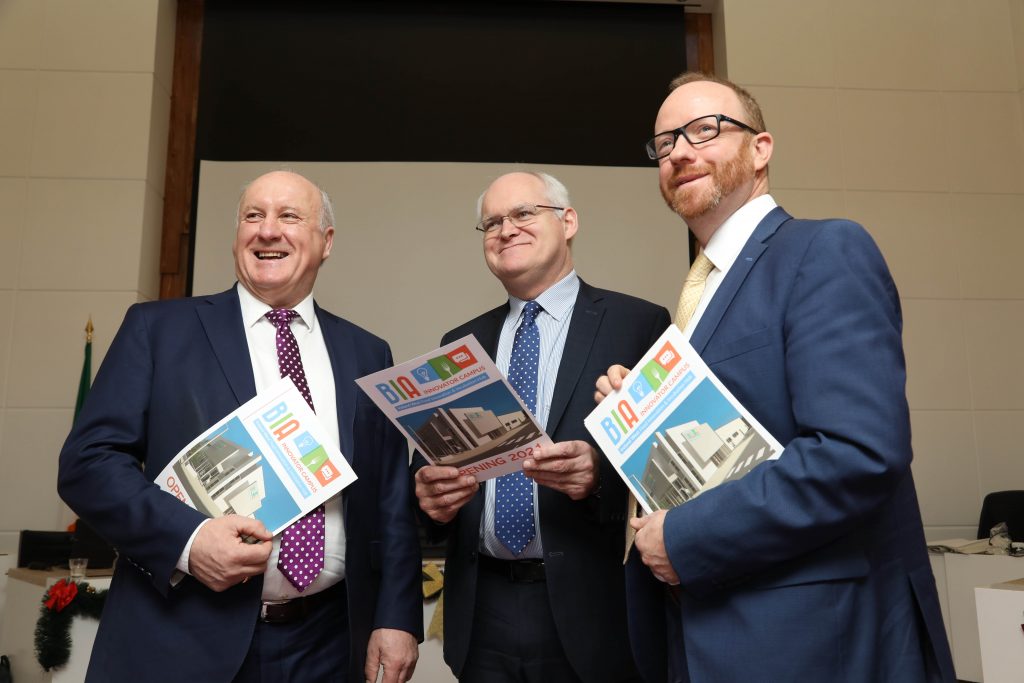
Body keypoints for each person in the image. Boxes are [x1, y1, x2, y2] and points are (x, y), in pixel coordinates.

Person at [595, 73, 956, 682]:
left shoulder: (824, 251)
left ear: (760, 149)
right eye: (664, 144)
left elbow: (858, 453)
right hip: (705, 632)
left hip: (812, 639)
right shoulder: (699, 295)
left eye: (703, 130)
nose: (679, 151)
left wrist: (683, 538)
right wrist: (641, 413)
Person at [58, 170, 422, 683]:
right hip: (180, 637)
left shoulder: (366, 352)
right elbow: (87, 464)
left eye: (289, 216)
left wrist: (396, 618)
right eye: (254, 215)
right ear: (236, 238)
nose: (267, 230)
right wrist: (190, 539)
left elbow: (390, 500)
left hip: (328, 645)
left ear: (326, 241)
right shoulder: (159, 330)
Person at [412, 171, 671, 683]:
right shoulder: (462, 342)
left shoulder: (637, 324)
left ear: (568, 221)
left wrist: (598, 478)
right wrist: (428, 497)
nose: (506, 230)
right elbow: (431, 469)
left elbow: (669, 474)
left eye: (524, 214)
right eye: (492, 222)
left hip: (596, 609)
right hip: (481, 610)